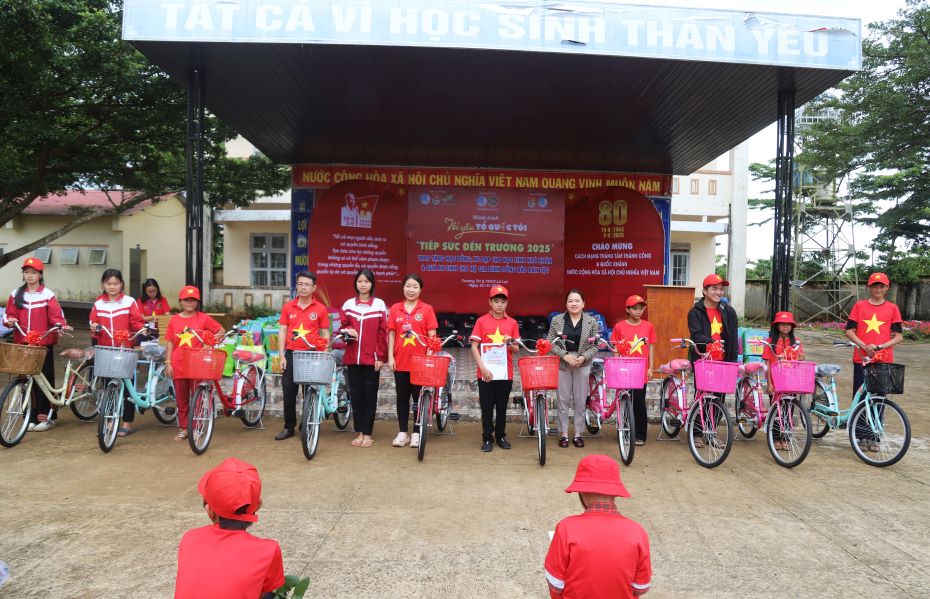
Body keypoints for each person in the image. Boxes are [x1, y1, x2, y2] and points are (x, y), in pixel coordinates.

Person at [174, 457, 285, 599]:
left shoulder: (190, 538)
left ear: (210, 511)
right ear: (258, 505)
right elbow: (259, 594)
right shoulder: (269, 550)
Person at [544, 454, 652, 598]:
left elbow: (555, 583)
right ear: (616, 493)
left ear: (581, 491)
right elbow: (641, 586)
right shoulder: (638, 532)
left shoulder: (566, 528)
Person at [3, 258, 69, 431]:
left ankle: (47, 416)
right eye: (26, 272)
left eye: (33, 273)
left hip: (43, 344)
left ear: (40, 274)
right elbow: (8, 314)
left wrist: (59, 325)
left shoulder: (47, 294)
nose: (29, 276)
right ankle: (29, 416)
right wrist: (9, 321)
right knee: (24, 379)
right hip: (23, 344)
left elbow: (56, 315)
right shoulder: (16, 293)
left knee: (44, 379)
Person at [844, 272, 903, 452]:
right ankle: (861, 436)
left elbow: (899, 336)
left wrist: (880, 346)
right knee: (861, 397)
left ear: (887, 288)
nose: (878, 289)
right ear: (869, 288)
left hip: (883, 359)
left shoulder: (893, 308)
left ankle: (875, 436)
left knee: (879, 397)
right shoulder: (859, 306)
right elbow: (849, 331)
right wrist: (863, 345)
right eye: (874, 286)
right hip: (861, 358)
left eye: (881, 286)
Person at [89, 269, 146, 437]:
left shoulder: (129, 302)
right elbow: (94, 324)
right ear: (103, 285)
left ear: (121, 284)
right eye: (108, 283)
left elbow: (136, 321)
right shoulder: (98, 303)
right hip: (106, 349)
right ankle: (110, 419)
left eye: (115, 283)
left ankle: (127, 422)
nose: (112, 286)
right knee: (108, 386)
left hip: (125, 349)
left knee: (128, 386)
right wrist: (94, 329)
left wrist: (140, 329)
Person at [276, 271, 331, 441]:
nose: (303, 288)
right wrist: (281, 355)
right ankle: (289, 427)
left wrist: (325, 353)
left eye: (307, 284)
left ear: (314, 288)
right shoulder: (288, 307)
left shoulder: (320, 309)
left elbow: (324, 332)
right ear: (297, 286)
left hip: (312, 355)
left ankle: (307, 424)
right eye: (300, 284)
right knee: (289, 391)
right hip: (292, 354)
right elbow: (283, 330)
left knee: (310, 391)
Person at [165, 286, 224, 441]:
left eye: (193, 300)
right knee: (181, 398)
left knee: (197, 397)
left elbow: (221, 331)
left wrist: (208, 343)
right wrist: (168, 362)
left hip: (197, 364)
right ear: (180, 301)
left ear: (197, 302)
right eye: (186, 299)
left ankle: (196, 427)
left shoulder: (203, 318)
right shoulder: (174, 320)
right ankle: (184, 428)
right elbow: (170, 342)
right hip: (178, 363)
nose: (189, 303)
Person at [686, 274, 738, 447]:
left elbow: (733, 337)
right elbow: (696, 334)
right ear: (705, 291)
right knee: (703, 396)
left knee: (719, 398)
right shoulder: (695, 311)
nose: (718, 292)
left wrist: (733, 360)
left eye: (721, 289)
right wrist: (711, 343)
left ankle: (711, 432)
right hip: (704, 359)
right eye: (714, 289)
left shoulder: (728, 311)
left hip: (724, 361)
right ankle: (697, 433)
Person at [387, 273, 438, 448]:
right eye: (408, 286)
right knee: (402, 397)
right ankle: (402, 433)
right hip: (400, 360)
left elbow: (432, 335)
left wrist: (430, 356)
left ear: (420, 289)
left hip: (420, 362)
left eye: (415, 286)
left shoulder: (427, 309)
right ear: (403, 287)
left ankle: (416, 432)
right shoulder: (395, 309)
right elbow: (392, 334)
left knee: (418, 398)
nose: (411, 290)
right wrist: (390, 356)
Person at [339, 269, 388, 448]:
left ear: (372, 284)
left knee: (369, 396)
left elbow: (383, 334)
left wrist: (380, 356)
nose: (363, 284)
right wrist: (346, 331)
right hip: (353, 359)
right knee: (356, 396)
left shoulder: (379, 305)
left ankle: (367, 434)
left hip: (371, 360)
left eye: (366, 281)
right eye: (360, 281)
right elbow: (342, 328)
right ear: (356, 284)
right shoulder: (348, 305)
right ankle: (359, 432)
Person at [470, 285, 520, 452]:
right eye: (496, 301)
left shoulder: (512, 323)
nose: (499, 305)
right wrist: (482, 368)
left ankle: (500, 436)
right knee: (486, 407)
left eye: (503, 301)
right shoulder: (481, 321)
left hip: (505, 372)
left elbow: (516, 349)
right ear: (490, 302)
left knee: (501, 406)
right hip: (485, 372)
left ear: (507, 303)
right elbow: (474, 346)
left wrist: (510, 341)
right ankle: (487, 437)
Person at [548, 289, 600, 448]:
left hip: (582, 362)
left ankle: (578, 434)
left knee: (579, 399)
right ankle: (563, 434)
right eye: (570, 301)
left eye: (577, 300)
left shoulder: (591, 321)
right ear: (566, 303)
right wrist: (564, 355)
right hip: (563, 362)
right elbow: (551, 342)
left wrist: (583, 357)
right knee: (562, 399)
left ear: (583, 303)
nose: (574, 303)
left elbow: (595, 345)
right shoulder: (557, 320)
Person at [610, 295, 656, 446]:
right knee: (624, 400)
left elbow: (650, 346)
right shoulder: (619, 326)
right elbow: (616, 348)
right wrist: (617, 365)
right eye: (634, 308)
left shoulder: (648, 326)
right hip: (624, 369)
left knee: (639, 403)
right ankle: (623, 430)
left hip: (641, 370)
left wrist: (651, 367)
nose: (638, 311)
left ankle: (640, 435)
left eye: (640, 308)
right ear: (627, 310)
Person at [761, 311, 804, 450]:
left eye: (788, 324)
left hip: (791, 381)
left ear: (792, 326)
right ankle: (775, 438)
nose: (786, 327)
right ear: (776, 325)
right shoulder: (770, 342)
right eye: (782, 324)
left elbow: (799, 360)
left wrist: (801, 358)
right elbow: (767, 363)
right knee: (776, 409)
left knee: (789, 409)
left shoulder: (796, 342)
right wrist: (769, 383)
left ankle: (785, 437)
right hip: (775, 381)